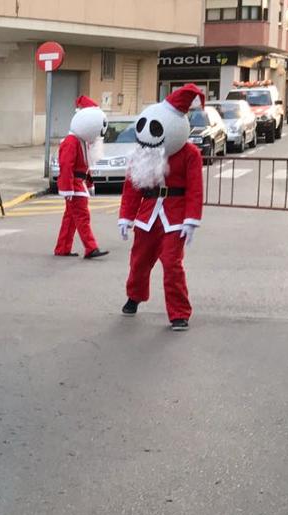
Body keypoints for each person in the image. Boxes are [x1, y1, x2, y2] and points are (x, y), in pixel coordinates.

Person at [118, 83, 205, 331]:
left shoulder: (189, 153)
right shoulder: (141, 152)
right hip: (148, 214)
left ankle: (179, 313)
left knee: (171, 262)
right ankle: (134, 296)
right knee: (139, 260)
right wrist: (126, 216)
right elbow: (132, 187)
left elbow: (195, 189)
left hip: (175, 215)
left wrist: (191, 219)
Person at [54, 95, 110, 259]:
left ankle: (62, 248)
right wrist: (67, 187)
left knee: (71, 218)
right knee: (82, 216)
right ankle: (91, 247)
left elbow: (84, 166)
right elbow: (66, 165)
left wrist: (89, 183)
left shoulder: (80, 141)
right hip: (74, 185)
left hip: (78, 184)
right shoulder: (72, 141)